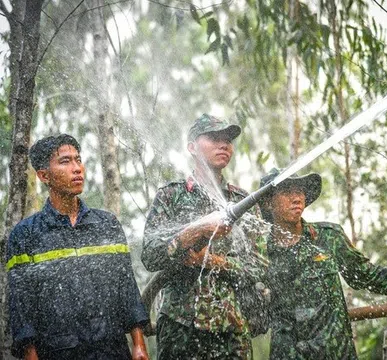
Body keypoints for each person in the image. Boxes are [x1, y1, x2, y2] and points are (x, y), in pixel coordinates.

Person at [258, 168, 387, 359]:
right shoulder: (260, 252)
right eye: (286, 191)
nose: (297, 197)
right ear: (268, 202)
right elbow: (254, 311)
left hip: (336, 353)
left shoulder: (328, 238)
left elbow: (367, 275)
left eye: (299, 191)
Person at [6, 134, 150, 360]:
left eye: (78, 159)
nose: (77, 168)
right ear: (44, 175)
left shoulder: (106, 224)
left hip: (111, 351)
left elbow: (126, 288)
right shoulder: (25, 235)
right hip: (58, 352)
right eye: (65, 161)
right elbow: (22, 310)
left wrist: (139, 344)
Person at [142, 114, 267, 360]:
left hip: (232, 329)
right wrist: (193, 233)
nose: (224, 145)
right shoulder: (171, 196)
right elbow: (150, 256)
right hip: (180, 327)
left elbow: (260, 267)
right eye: (214, 138)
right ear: (191, 147)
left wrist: (211, 262)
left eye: (228, 140)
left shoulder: (243, 201)